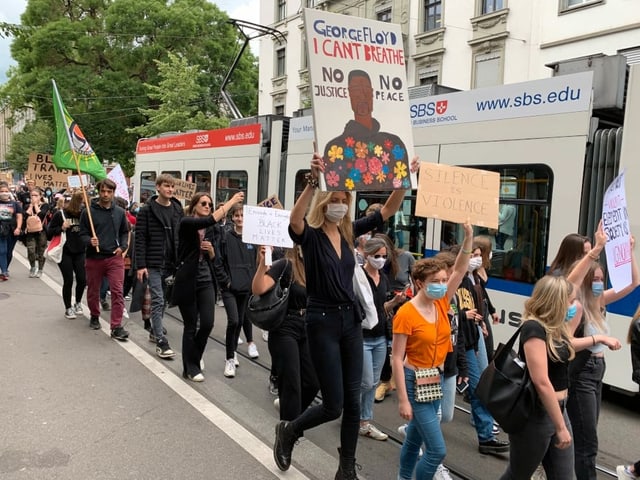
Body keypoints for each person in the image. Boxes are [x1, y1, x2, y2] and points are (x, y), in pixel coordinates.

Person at [273, 152, 416, 479]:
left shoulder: (351, 232)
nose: (340, 204)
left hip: (350, 321)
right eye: (334, 199)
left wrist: (403, 181)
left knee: (353, 402)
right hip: (321, 321)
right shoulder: (310, 236)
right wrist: (311, 181)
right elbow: (294, 222)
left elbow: (389, 210)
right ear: (324, 203)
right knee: (334, 404)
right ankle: (290, 430)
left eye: (344, 199)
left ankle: (346, 468)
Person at [498, 275, 621, 480]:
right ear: (556, 301)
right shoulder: (534, 329)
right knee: (518, 474)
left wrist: (598, 338)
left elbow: (565, 346)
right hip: (537, 415)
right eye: (571, 301)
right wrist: (561, 427)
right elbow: (542, 382)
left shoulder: (553, 328)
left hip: (558, 410)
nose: (574, 306)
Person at [392, 221, 472, 480]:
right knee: (436, 451)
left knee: (414, 440)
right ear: (419, 282)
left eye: (443, 281)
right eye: (435, 281)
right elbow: (396, 358)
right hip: (415, 381)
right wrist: (403, 399)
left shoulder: (440, 303)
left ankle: (403, 478)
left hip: (434, 379)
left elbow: (460, 268)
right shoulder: (406, 313)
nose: (441, 285)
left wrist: (469, 235)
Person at [565, 227, 639, 480]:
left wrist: (629, 253)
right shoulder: (575, 305)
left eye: (601, 279)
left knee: (585, 434)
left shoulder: (600, 302)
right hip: (582, 373)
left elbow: (633, 284)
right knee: (588, 444)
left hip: (597, 372)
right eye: (594, 279)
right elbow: (565, 344)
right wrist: (599, 338)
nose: (598, 283)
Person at [172, 192, 242, 381]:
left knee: (208, 323)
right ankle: (191, 367)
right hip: (187, 279)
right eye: (203, 203)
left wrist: (211, 252)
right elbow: (208, 220)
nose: (207, 206)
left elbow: (217, 257)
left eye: (210, 204)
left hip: (206, 280)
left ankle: (194, 359)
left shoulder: (212, 231)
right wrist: (232, 202)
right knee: (190, 325)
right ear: (194, 205)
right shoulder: (187, 223)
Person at [252, 245, 319, 421]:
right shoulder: (285, 265)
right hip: (285, 326)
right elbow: (258, 289)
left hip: (308, 327)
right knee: (291, 383)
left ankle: (290, 411)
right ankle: (288, 430)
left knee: (312, 382)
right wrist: (262, 266)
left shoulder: (318, 267)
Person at [455, 243, 509, 454]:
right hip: (461, 341)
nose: (476, 259)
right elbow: (450, 311)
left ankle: (486, 436)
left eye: (478, 255)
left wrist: (481, 321)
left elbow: (478, 302)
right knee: (443, 398)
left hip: (472, 336)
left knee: (481, 385)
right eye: (472, 255)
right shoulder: (457, 281)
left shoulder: (473, 279)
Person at [322, 70, 409, 191]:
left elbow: (402, 184)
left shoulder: (394, 144)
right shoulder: (335, 148)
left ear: (372, 94)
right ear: (350, 95)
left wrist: (415, 171)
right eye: (356, 90)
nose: (362, 95)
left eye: (366, 89)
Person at [359, 237, 404, 442]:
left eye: (384, 256)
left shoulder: (383, 278)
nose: (381, 260)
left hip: (379, 338)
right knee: (367, 381)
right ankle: (353, 412)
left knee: (373, 381)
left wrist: (394, 302)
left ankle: (364, 422)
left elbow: (380, 309)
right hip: (361, 337)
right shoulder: (358, 277)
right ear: (366, 254)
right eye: (376, 256)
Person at [135, 174, 183, 359]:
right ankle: (162, 343)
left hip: (171, 263)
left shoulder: (177, 209)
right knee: (157, 299)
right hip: (154, 263)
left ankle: (155, 330)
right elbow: (140, 238)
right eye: (166, 186)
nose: (170, 189)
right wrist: (141, 265)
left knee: (163, 299)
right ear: (158, 187)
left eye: (172, 186)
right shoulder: (147, 210)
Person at [79, 178, 130, 340]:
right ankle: (94, 314)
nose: (106, 194)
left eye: (109, 191)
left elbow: (125, 232)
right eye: (103, 191)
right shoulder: (88, 211)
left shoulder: (120, 212)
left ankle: (116, 326)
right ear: (98, 192)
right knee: (93, 290)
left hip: (114, 257)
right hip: (94, 257)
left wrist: (122, 247)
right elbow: (82, 233)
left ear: (114, 193)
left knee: (117, 291)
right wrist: (89, 240)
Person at [214, 202, 259, 377]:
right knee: (233, 321)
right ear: (232, 217)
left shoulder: (253, 239)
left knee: (240, 321)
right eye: (237, 215)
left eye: (243, 215)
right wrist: (226, 283)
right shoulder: (225, 237)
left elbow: (256, 263)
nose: (240, 218)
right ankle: (229, 359)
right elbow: (218, 262)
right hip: (230, 288)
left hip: (246, 288)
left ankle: (232, 351)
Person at [46, 191, 86, 319]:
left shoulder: (85, 214)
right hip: (65, 252)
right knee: (68, 280)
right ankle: (68, 307)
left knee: (82, 279)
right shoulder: (60, 214)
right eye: (81, 202)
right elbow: (49, 232)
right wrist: (61, 228)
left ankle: (78, 302)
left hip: (80, 252)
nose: (83, 205)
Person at [23, 187, 50, 278]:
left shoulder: (45, 205)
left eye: (36, 195)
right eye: (32, 195)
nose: (33, 197)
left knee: (41, 251)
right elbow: (25, 216)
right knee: (31, 250)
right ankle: (32, 267)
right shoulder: (27, 206)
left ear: (40, 196)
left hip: (41, 231)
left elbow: (42, 214)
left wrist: (36, 205)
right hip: (30, 231)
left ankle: (40, 269)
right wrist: (31, 206)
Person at [0, 181, 23, 281]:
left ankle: (5, 269)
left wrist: (18, 228)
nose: (4, 193)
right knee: (2, 251)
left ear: (9, 192)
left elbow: (19, 216)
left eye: (6, 191)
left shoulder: (15, 204)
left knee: (9, 252)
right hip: (1, 230)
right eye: (2, 191)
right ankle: (4, 271)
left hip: (12, 230)